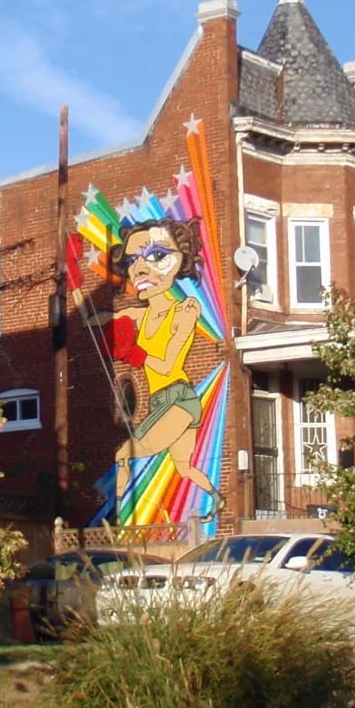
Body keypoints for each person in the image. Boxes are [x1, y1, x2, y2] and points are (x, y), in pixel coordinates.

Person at [104, 218, 218, 510]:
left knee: (122, 454)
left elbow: (167, 365)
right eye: (132, 260)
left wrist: (134, 353)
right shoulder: (136, 314)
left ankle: (117, 513)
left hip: (179, 398)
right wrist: (78, 298)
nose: (140, 269)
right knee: (183, 468)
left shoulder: (185, 310)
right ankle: (217, 501)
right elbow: (95, 320)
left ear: (181, 261)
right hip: (159, 403)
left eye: (157, 255)